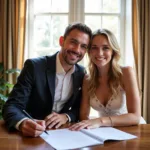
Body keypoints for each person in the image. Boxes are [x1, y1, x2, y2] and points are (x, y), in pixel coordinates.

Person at [2, 23, 92, 137]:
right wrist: (23, 123)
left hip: (62, 134)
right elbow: (12, 106)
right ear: (61, 41)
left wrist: (66, 116)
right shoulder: (34, 67)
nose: (77, 50)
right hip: (30, 135)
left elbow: (78, 108)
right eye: (73, 42)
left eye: (83, 46)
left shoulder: (81, 73)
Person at [70, 29, 145, 131]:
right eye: (94, 48)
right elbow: (83, 116)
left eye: (105, 48)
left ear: (113, 51)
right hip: (104, 132)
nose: (99, 53)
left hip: (132, 129)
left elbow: (135, 117)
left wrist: (100, 121)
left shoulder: (126, 72)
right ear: (89, 52)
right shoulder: (87, 79)